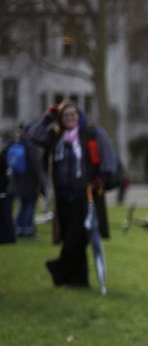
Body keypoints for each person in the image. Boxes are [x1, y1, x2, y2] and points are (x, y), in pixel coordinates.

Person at [29, 102, 116, 288]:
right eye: (65, 115)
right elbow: (34, 135)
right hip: (62, 197)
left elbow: (109, 159)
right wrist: (47, 118)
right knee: (70, 236)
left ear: (79, 115)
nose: (69, 117)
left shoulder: (92, 133)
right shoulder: (57, 136)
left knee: (77, 237)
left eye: (73, 114)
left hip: (86, 196)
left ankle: (58, 267)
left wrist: (100, 179)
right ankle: (77, 280)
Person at [7, 124, 42, 239]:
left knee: (23, 205)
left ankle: (19, 228)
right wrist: (40, 181)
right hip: (30, 181)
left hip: (19, 180)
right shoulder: (30, 145)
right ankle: (28, 230)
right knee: (30, 205)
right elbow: (35, 164)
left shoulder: (18, 143)